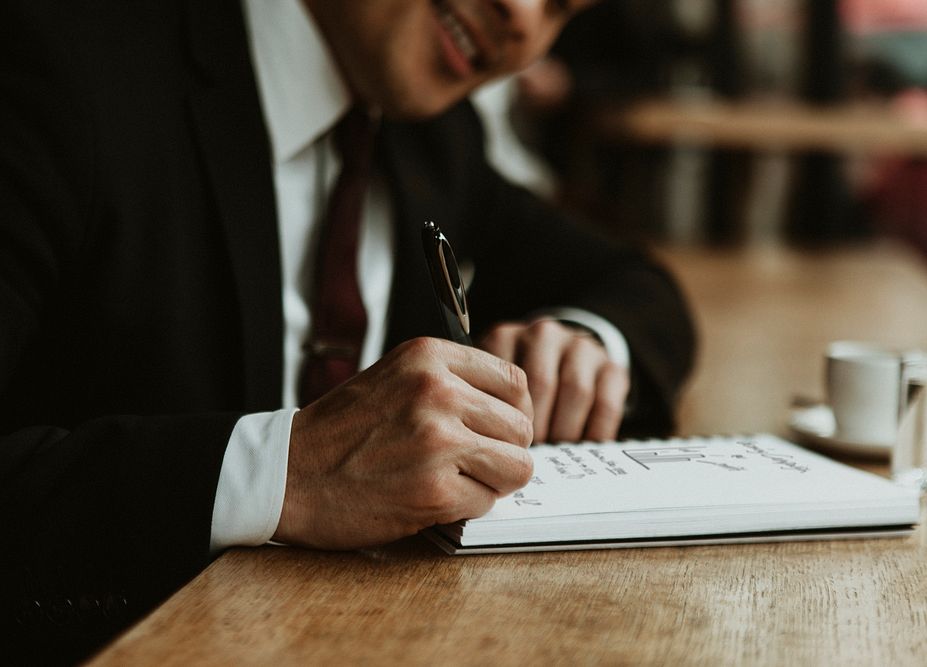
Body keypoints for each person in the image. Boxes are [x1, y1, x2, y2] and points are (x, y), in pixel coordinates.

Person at [0, 0, 696, 661]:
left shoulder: (435, 139)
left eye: (562, 10)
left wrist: (586, 342)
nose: (520, 14)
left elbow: (640, 285)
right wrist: (282, 473)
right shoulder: (56, 64)